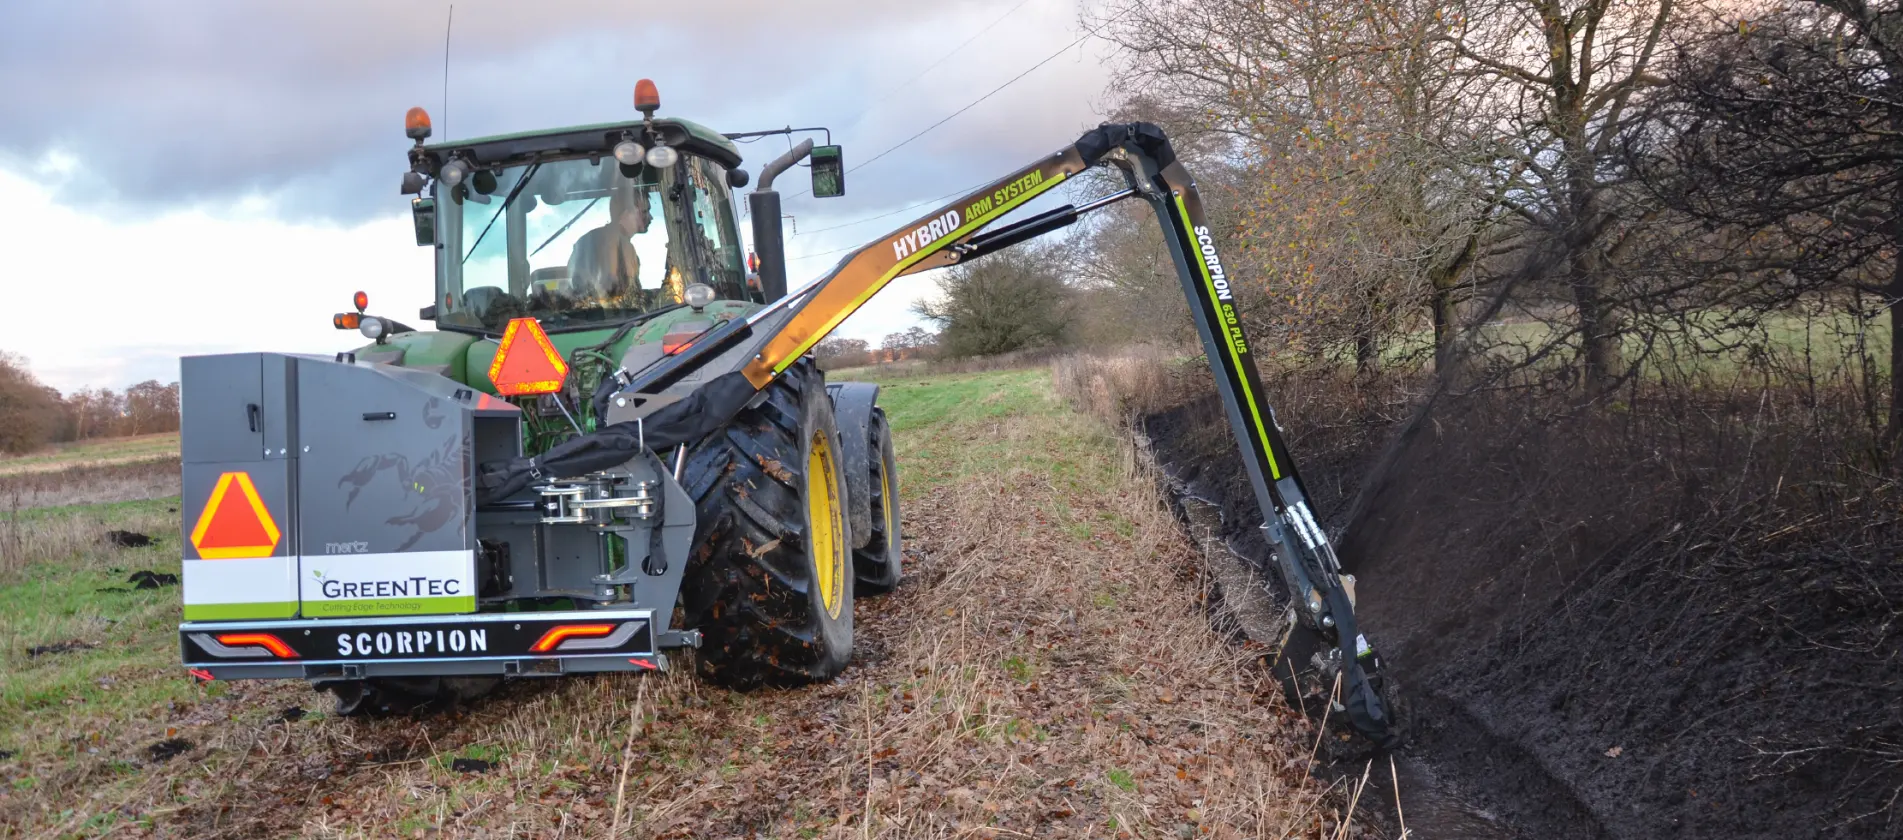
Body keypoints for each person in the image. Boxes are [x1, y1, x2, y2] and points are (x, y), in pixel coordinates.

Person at [566, 188, 651, 301]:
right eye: (644, 211)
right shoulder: (597, 243)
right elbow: (610, 292)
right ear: (626, 213)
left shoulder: (625, 247)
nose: (650, 217)